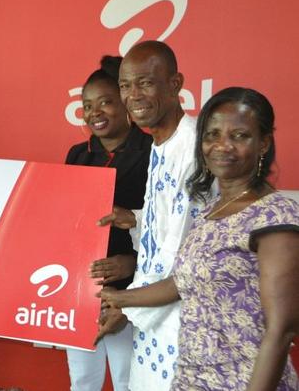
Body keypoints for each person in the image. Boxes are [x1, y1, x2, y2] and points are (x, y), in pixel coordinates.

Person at [100, 87, 299, 390]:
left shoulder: (275, 216)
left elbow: (282, 330)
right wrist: (117, 298)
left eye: (240, 136)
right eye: (212, 134)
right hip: (191, 379)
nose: (222, 146)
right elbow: (181, 283)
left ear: (264, 143)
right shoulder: (211, 211)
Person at [95, 40, 203, 389]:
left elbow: (180, 251)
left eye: (145, 82)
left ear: (175, 84)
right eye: (126, 85)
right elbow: (165, 225)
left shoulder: (194, 146)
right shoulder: (159, 143)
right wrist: (134, 219)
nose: (133, 95)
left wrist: (124, 304)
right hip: (154, 316)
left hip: (184, 322)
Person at [63, 56, 152, 390]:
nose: (95, 113)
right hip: (82, 285)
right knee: (82, 377)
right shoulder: (77, 154)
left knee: (128, 378)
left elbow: (167, 228)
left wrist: (131, 263)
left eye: (105, 103)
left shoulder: (151, 150)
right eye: (87, 105)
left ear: (125, 102)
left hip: (135, 285)